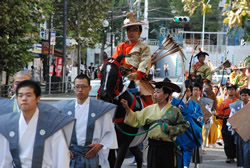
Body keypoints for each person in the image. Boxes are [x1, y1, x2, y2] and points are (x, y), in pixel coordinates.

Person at [0, 80, 75, 167]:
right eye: (20, 95)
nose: (24, 98)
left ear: (38, 98)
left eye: (28, 95)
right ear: (17, 99)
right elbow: (4, 160)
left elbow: (61, 158)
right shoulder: (7, 124)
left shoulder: (52, 124)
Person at [54, 74, 118, 168]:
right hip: (71, 154)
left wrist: (100, 146)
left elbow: (109, 132)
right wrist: (64, 148)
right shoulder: (64, 108)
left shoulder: (100, 109)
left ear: (90, 88)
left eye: (84, 87)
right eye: (77, 87)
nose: (80, 90)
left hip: (90, 153)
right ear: (74, 88)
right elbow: (57, 133)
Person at [120, 80, 186, 168]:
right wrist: (127, 108)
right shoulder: (149, 109)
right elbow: (136, 118)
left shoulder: (174, 111)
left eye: (158, 92)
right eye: (154, 92)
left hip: (167, 148)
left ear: (166, 95)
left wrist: (170, 129)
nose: (154, 94)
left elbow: (182, 126)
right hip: (152, 147)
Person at [112, 12, 151, 81]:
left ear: (139, 33)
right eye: (129, 30)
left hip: (137, 78)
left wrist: (137, 74)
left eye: (134, 30)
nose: (131, 33)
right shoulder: (121, 46)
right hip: (120, 77)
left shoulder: (144, 47)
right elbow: (114, 61)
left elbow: (144, 63)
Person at [171, 84, 203, 168]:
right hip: (177, 132)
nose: (186, 92)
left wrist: (189, 118)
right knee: (176, 152)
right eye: (184, 90)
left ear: (191, 92)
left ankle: (186, 166)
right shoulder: (175, 103)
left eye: (188, 90)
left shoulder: (195, 105)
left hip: (189, 131)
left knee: (187, 150)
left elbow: (199, 118)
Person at [215, 83, 239, 163]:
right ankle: (229, 156)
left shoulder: (239, 101)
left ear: (235, 91)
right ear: (227, 91)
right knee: (227, 140)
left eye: (232, 89)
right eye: (229, 89)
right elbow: (219, 113)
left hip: (237, 121)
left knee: (235, 139)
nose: (231, 91)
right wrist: (217, 114)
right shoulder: (223, 102)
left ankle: (235, 155)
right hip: (226, 121)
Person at [227, 88, 250, 167]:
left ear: (249, 96)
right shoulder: (235, 106)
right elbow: (231, 118)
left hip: (249, 133)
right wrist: (232, 126)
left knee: (247, 151)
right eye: (242, 95)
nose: (243, 97)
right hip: (239, 133)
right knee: (240, 151)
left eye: (245, 95)